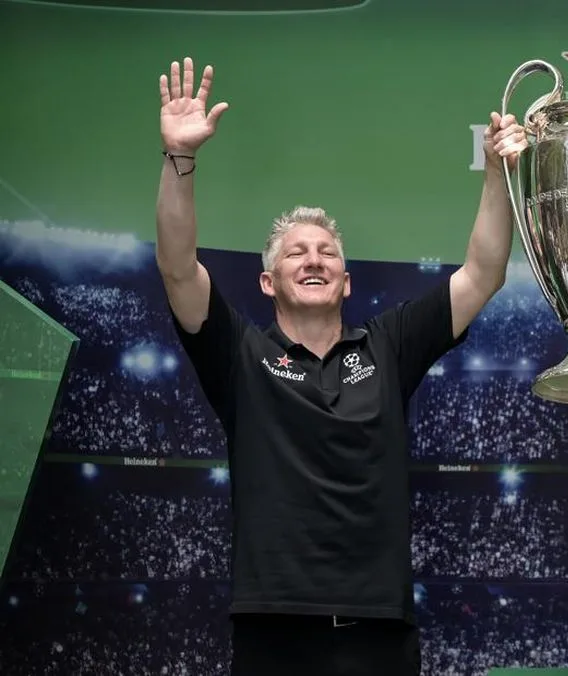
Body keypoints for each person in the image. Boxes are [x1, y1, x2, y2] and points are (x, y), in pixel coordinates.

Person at [153, 56, 527, 675]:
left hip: (377, 631)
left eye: (327, 252)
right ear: (269, 282)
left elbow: (482, 275)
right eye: (297, 253)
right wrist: (179, 159)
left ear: (346, 281)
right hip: (274, 630)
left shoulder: (387, 346)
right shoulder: (240, 354)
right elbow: (176, 268)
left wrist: (495, 173)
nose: (314, 259)